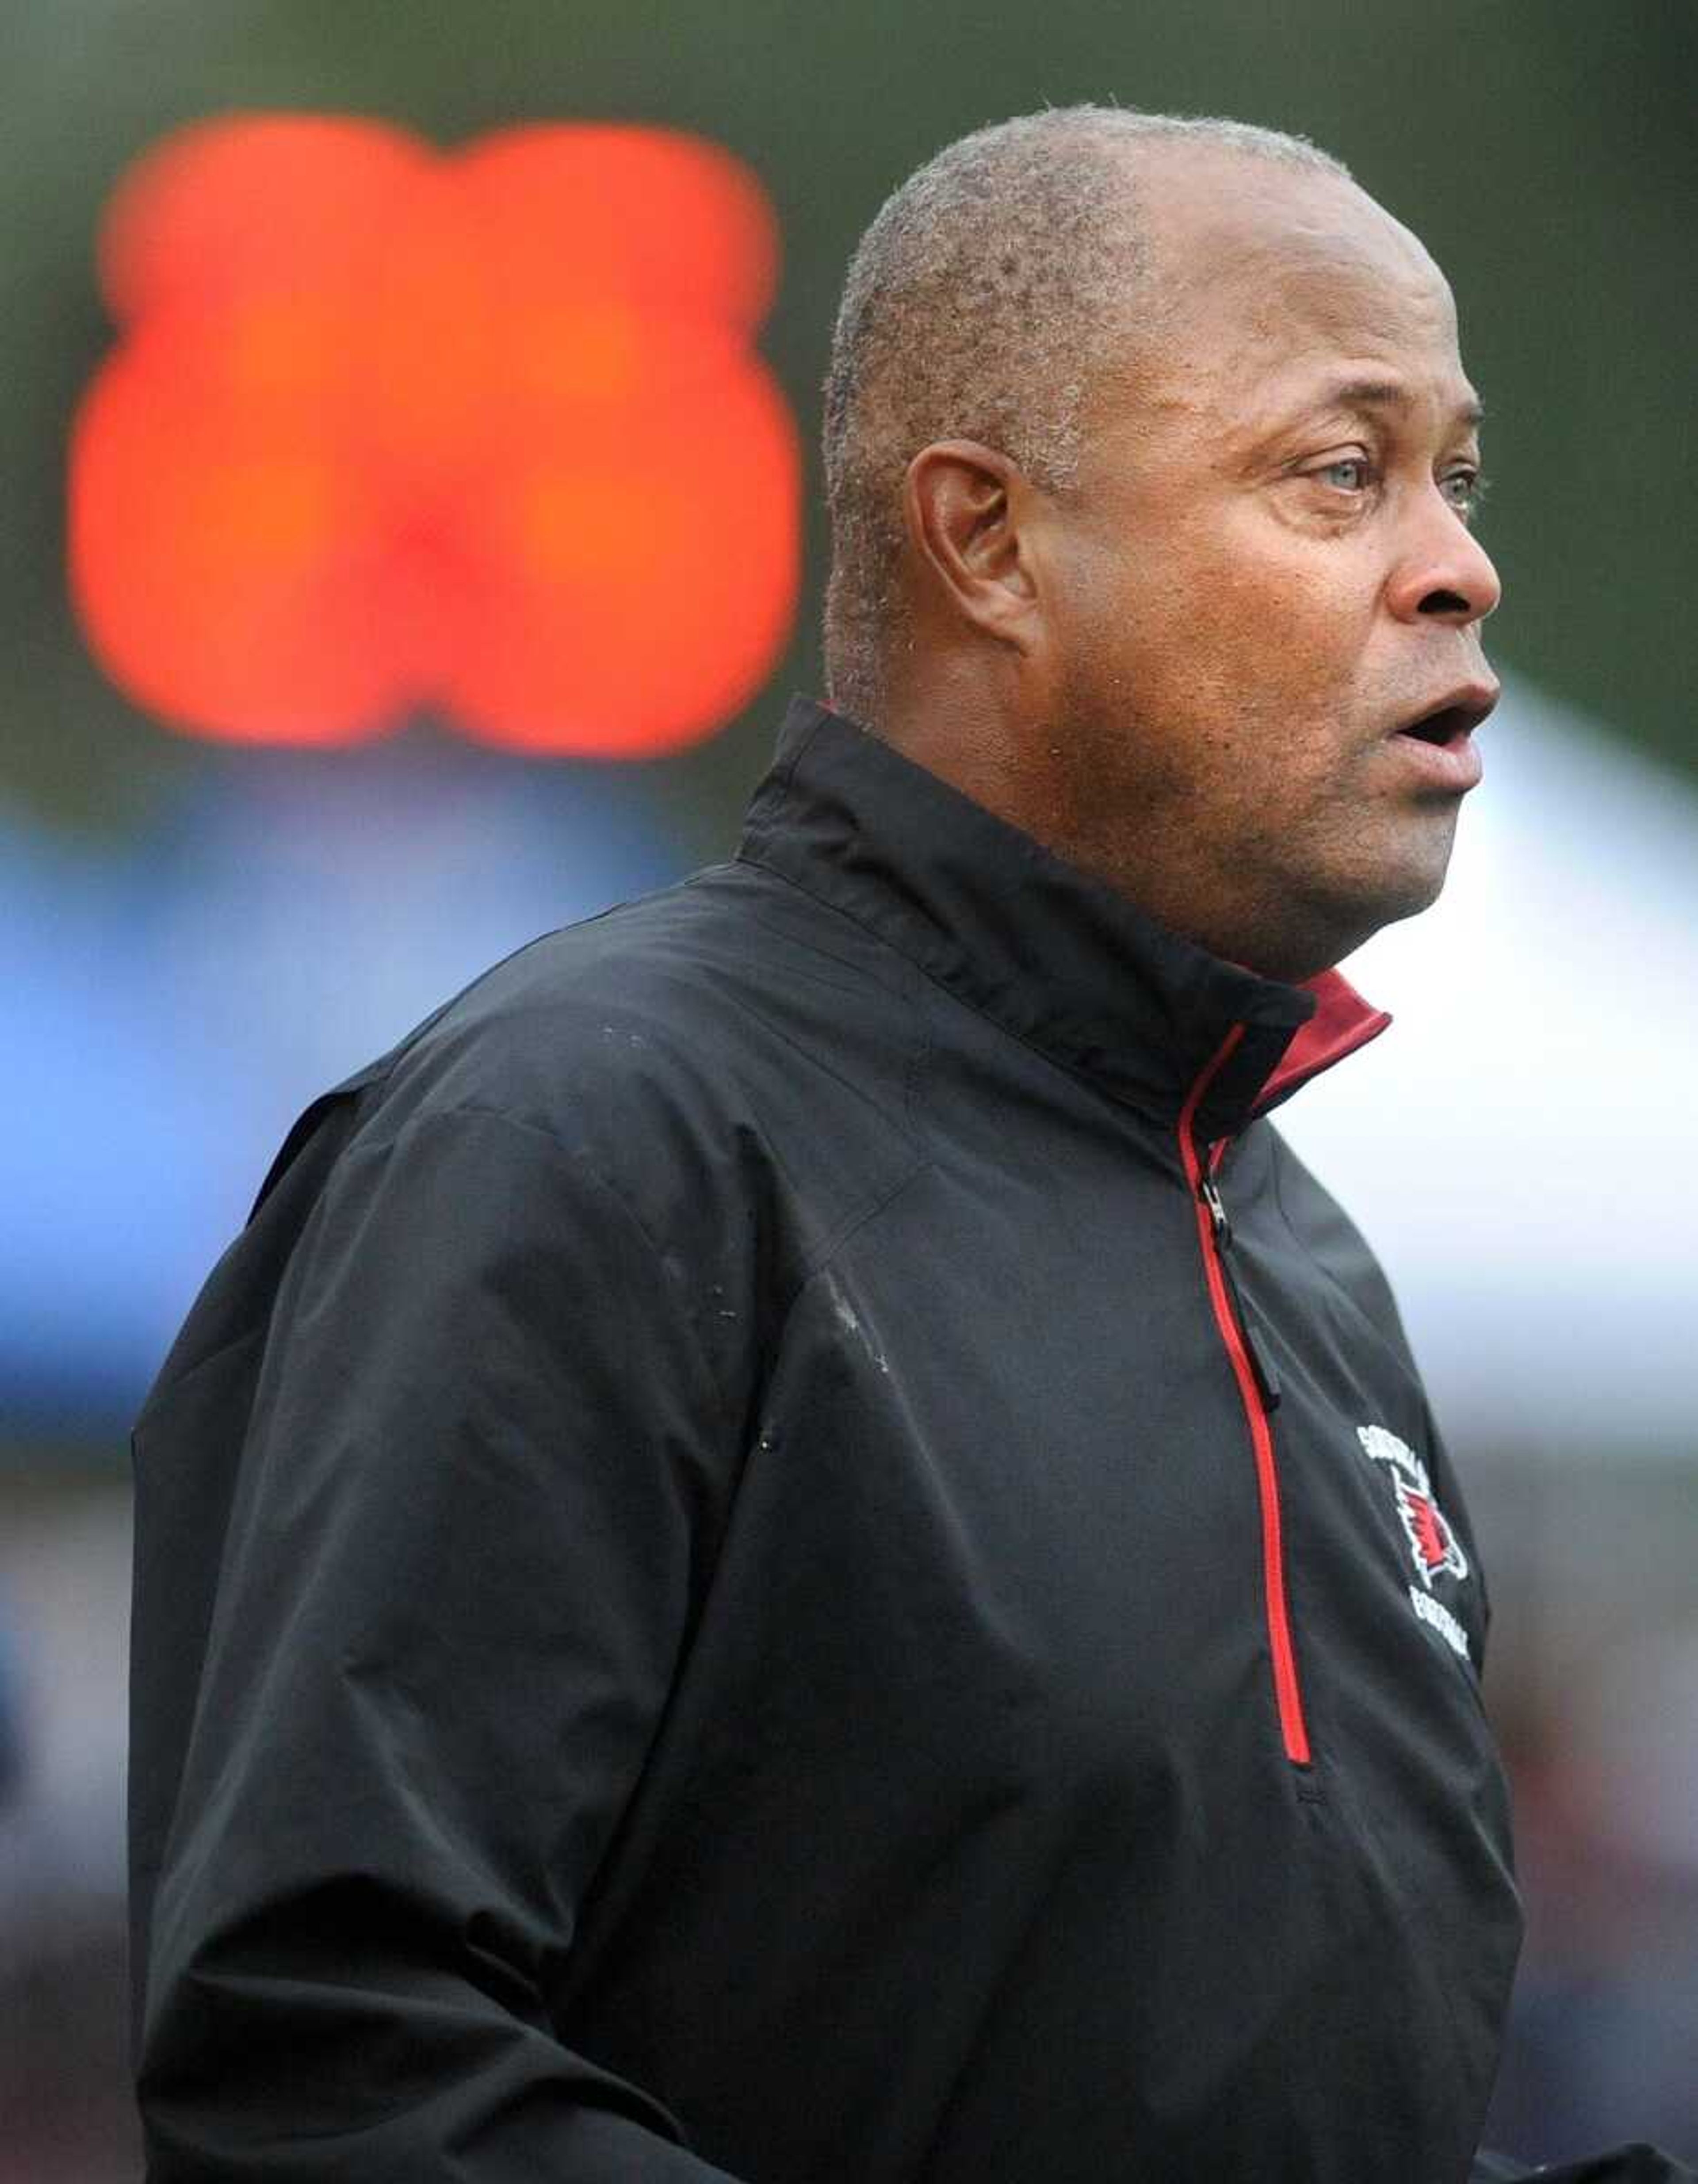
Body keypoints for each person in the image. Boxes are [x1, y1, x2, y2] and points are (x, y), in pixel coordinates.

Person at [126, 108, 1692, 2184]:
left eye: (1455, 477)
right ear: (990, 540)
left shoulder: (1293, 1253)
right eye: (1343, 469)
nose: (1459, 561)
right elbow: (323, 2066)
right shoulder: (588, 1134)